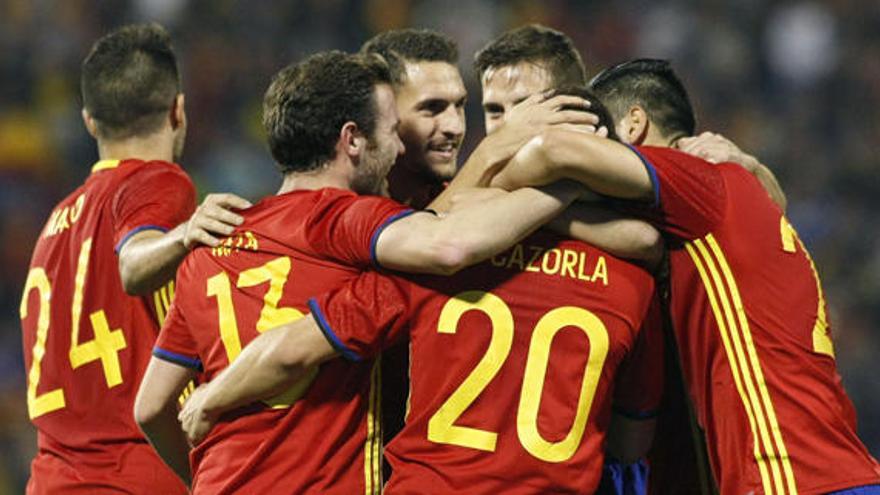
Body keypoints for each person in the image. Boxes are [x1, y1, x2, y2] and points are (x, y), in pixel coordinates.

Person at [134, 50, 585, 494]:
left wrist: (200, 480)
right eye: (391, 131)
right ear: (352, 140)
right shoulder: (345, 220)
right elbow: (448, 244)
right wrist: (568, 184)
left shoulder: (210, 246)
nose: (399, 146)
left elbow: (152, 408)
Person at [488, 58, 880, 495]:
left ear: (633, 125)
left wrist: (505, 182)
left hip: (789, 479)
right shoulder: (736, 196)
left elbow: (549, 152)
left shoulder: (701, 183)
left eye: (597, 134)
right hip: (833, 473)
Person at [18, 23, 248, 494]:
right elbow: (134, 260)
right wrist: (185, 234)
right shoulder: (160, 182)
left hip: (52, 480)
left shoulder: (58, 219)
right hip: (136, 478)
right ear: (178, 110)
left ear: (89, 121)